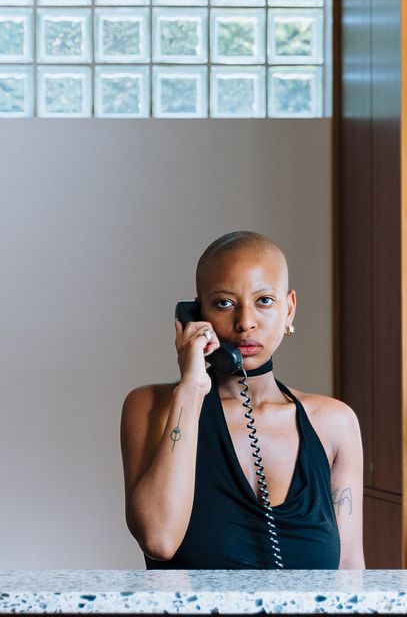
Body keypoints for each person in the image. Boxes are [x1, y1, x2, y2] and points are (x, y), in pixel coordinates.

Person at [121, 232, 364, 569]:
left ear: (289, 309)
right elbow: (158, 541)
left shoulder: (334, 423)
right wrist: (191, 388)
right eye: (224, 303)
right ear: (196, 314)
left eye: (264, 300)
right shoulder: (151, 407)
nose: (245, 322)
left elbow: (350, 574)